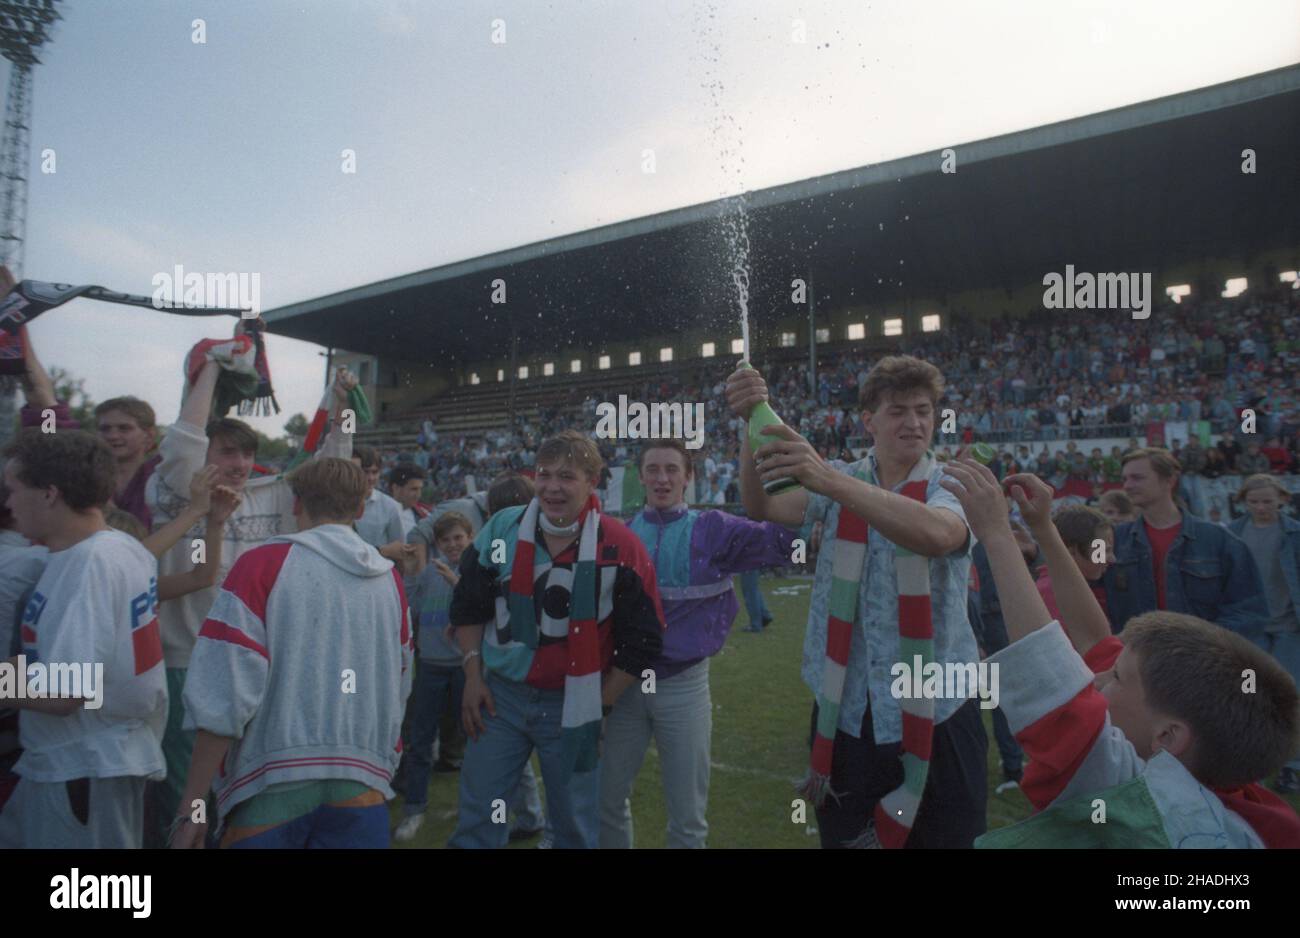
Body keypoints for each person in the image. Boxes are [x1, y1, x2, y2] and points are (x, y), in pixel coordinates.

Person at [939, 459, 1300, 848]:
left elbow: (1043, 673)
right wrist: (1044, 529)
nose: (1095, 679)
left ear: (1168, 735)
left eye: (1116, 679)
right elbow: (1094, 639)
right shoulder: (1224, 787)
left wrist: (996, 533)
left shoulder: (1120, 784)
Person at [727, 355, 986, 849]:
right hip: (849, 707)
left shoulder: (949, 482)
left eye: (924, 410)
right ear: (868, 420)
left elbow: (939, 533)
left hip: (939, 711)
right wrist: (751, 420)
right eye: (897, 411)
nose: (913, 422)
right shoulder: (843, 476)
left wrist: (828, 480)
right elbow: (767, 506)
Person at [143, 345, 356, 847]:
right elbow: (184, 439)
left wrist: (342, 404)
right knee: (186, 792)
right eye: (226, 453)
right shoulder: (179, 492)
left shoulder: (277, 495)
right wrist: (214, 365)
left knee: (242, 788)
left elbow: (333, 460)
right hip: (185, 660)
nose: (239, 464)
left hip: (254, 665)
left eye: (247, 453)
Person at [170, 458, 412, 848]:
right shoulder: (390, 581)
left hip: (271, 780)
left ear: (295, 503)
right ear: (361, 509)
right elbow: (401, 682)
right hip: (362, 777)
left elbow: (223, 692)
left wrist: (192, 807)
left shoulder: (261, 565)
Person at [448, 430, 664, 849]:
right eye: (544, 475)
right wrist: (473, 677)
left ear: (593, 481)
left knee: (573, 830)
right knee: (478, 818)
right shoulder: (501, 530)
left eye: (566, 476)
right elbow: (469, 606)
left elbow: (643, 641)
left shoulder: (621, 546)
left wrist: (599, 703)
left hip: (573, 703)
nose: (551, 487)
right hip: (502, 698)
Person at [600, 439, 796, 849]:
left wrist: (795, 486)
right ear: (640, 477)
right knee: (606, 800)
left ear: (689, 477)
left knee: (687, 817)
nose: (662, 477)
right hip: (624, 686)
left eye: (672, 469)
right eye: (652, 469)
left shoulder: (714, 529)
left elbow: (786, 543)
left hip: (683, 687)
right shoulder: (618, 534)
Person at [0, 430, 167, 848]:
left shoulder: (88, 564)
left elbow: (67, 693)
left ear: (49, 494)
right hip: (86, 761)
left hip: (82, 765)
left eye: (14, 490)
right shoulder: (119, 548)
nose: (7, 502)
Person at [1103, 448, 1266, 640]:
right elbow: (1089, 586)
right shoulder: (1111, 540)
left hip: (1200, 663)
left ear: (1169, 481)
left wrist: (1205, 646)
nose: (1128, 485)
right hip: (1132, 660)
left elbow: (1248, 611)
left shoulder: (1220, 540)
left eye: (1137, 478)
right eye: (1125, 479)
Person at [394, 511, 473, 842]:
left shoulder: (476, 573)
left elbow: (480, 608)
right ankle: (414, 808)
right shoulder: (428, 573)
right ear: (437, 544)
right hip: (430, 667)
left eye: (459, 538)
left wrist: (458, 583)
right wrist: (411, 575)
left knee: (473, 740)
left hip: (464, 667)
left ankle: (472, 808)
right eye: (446, 540)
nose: (453, 545)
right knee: (421, 740)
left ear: (469, 539)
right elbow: (410, 607)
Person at [1228, 475, 1300, 793]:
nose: (1261, 507)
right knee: (1249, 696)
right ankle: (1252, 766)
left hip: (1288, 629)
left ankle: (1291, 767)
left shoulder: (1294, 533)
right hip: (1251, 630)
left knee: (1288, 698)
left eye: (1267, 501)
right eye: (1254, 502)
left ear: (1281, 499)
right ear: (1244, 502)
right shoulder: (1232, 534)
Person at [1036, 504, 1112, 621]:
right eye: (1104, 550)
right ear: (1070, 552)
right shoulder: (1058, 594)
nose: (1112, 559)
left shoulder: (1065, 587)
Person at [351, 444, 409, 562]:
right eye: (365, 472)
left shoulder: (390, 506)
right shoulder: (336, 505)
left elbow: (399, 550)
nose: (370, 478)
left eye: (374, 472)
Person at [390, 463, 430, 537]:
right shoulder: (379, 514)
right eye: (414, 489)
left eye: (420, 489)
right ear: (396, 488)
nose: (418, 495)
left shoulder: (425, 515)